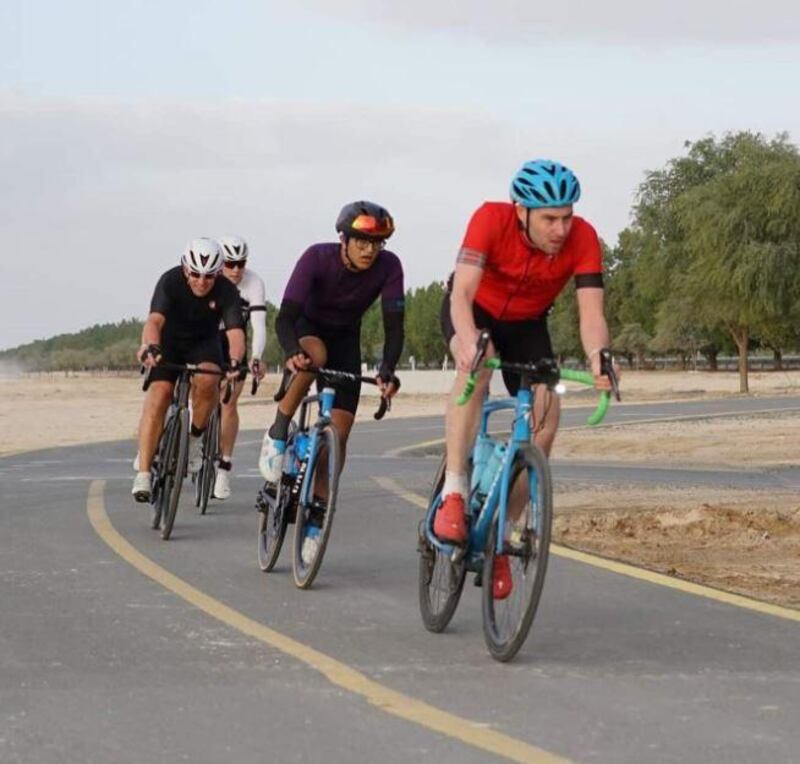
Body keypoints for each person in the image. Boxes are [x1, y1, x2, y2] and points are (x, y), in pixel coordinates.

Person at [434, 159, 618, 597]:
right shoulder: (490, 219)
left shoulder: (585, 238)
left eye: (567, 216)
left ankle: (503, 534)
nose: (561, 229)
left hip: (528, 323)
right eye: (550, 219)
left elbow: (591, 313)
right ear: (522, 212)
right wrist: (466, 339)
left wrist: (599, 356)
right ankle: (455, 492)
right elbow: (461, 293)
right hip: (474, 311)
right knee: (477, 366)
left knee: (547, 415)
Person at [257, 201, 404, 551]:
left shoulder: (389, 266)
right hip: (306, 331)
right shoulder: (317, 258)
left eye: (377, 243)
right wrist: (293, 351)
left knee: (337, 439)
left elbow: (394, 328)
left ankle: (314, 523)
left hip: (346, 342)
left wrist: (387, 371)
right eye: (362, 242)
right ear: (344, 239)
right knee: (314, 356)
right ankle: (278, 433)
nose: (370, 250)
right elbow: (284, 317)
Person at [132, 238, 246, 502]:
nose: (202, 282)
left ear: (218, 273)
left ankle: (195, 439)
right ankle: (144, 474)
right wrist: (150, 346)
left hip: (204, 343)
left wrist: (236, 361)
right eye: (195, 274)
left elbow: (235, 332)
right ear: (185, 269)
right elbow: (154, 321)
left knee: (208, 381)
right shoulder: (169, 281)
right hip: (169, 342)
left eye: (209, 276)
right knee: (160, 393)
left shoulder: (227, 291)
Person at [212, 235, 267, 500]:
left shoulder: (253, 282)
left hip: (235, 343)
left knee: (229, 404)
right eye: (230, 264)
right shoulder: (208, 279)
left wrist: (256, 356)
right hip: (206, 341)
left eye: (241, 263)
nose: (236, 270)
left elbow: (258, 325)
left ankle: (223, 469)